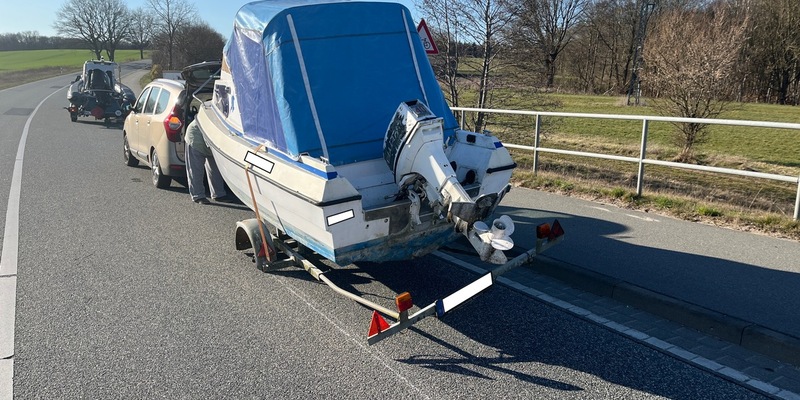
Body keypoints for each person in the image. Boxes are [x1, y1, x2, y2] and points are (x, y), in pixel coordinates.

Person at [184, 118, 233, 204]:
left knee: (215, 170)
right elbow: (209, 139)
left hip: (212, 143)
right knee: (196, 170)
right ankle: (198, 196)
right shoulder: (212, 117)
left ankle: (218, 194)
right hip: (195, 139)